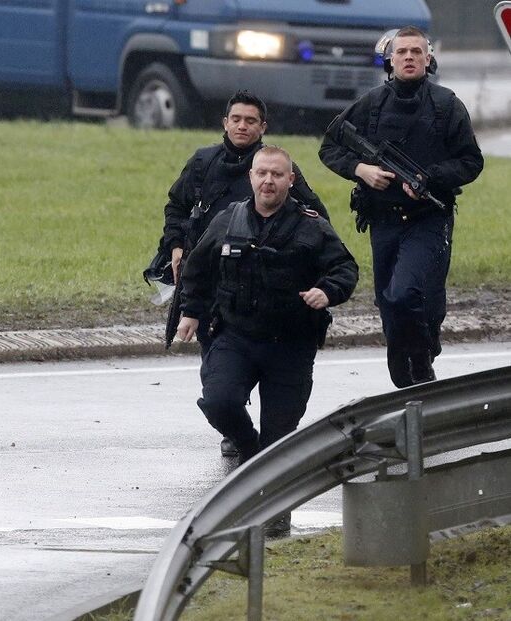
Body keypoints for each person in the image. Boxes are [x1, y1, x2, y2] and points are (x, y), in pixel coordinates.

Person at [176, 146, 358, 537]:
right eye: (262, 173)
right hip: (236, 336)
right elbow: (197, 269)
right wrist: (191, 312)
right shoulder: (228, 220)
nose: (268, 181)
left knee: (280, 437)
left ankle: (276, 515)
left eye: (277, 174)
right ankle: (248, 448)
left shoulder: (311, 226)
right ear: (251, 178)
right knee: (219, 402)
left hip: (290, 344)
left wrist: (327, 291)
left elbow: (345, 268)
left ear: (290, 180)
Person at [158, 89, 329, 457]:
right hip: (211, 278)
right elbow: (176, 207)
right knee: (219, 373)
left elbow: (318, 220)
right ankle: (236, 428)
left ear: (262, 127)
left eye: (251, 121)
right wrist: (176, 246)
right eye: (236, 119)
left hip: (264, 286)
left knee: (274, 389)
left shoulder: (278, 169)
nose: (242, 126)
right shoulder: (203, 163)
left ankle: (263, 439)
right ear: (225, 123)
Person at [319, 26, 483, 388]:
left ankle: (420, 359)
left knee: (410, 296)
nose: (409, 57)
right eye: (402, 51)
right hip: (384, 221)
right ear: (390, 60)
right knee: (389, 303)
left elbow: (471, 161)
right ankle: (408, 372)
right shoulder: (371, 104)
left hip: (429, 219)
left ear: (428, 59)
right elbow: (330, 147)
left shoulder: (446, 105)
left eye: (416, 51)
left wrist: (430, 178)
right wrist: (361, 170)